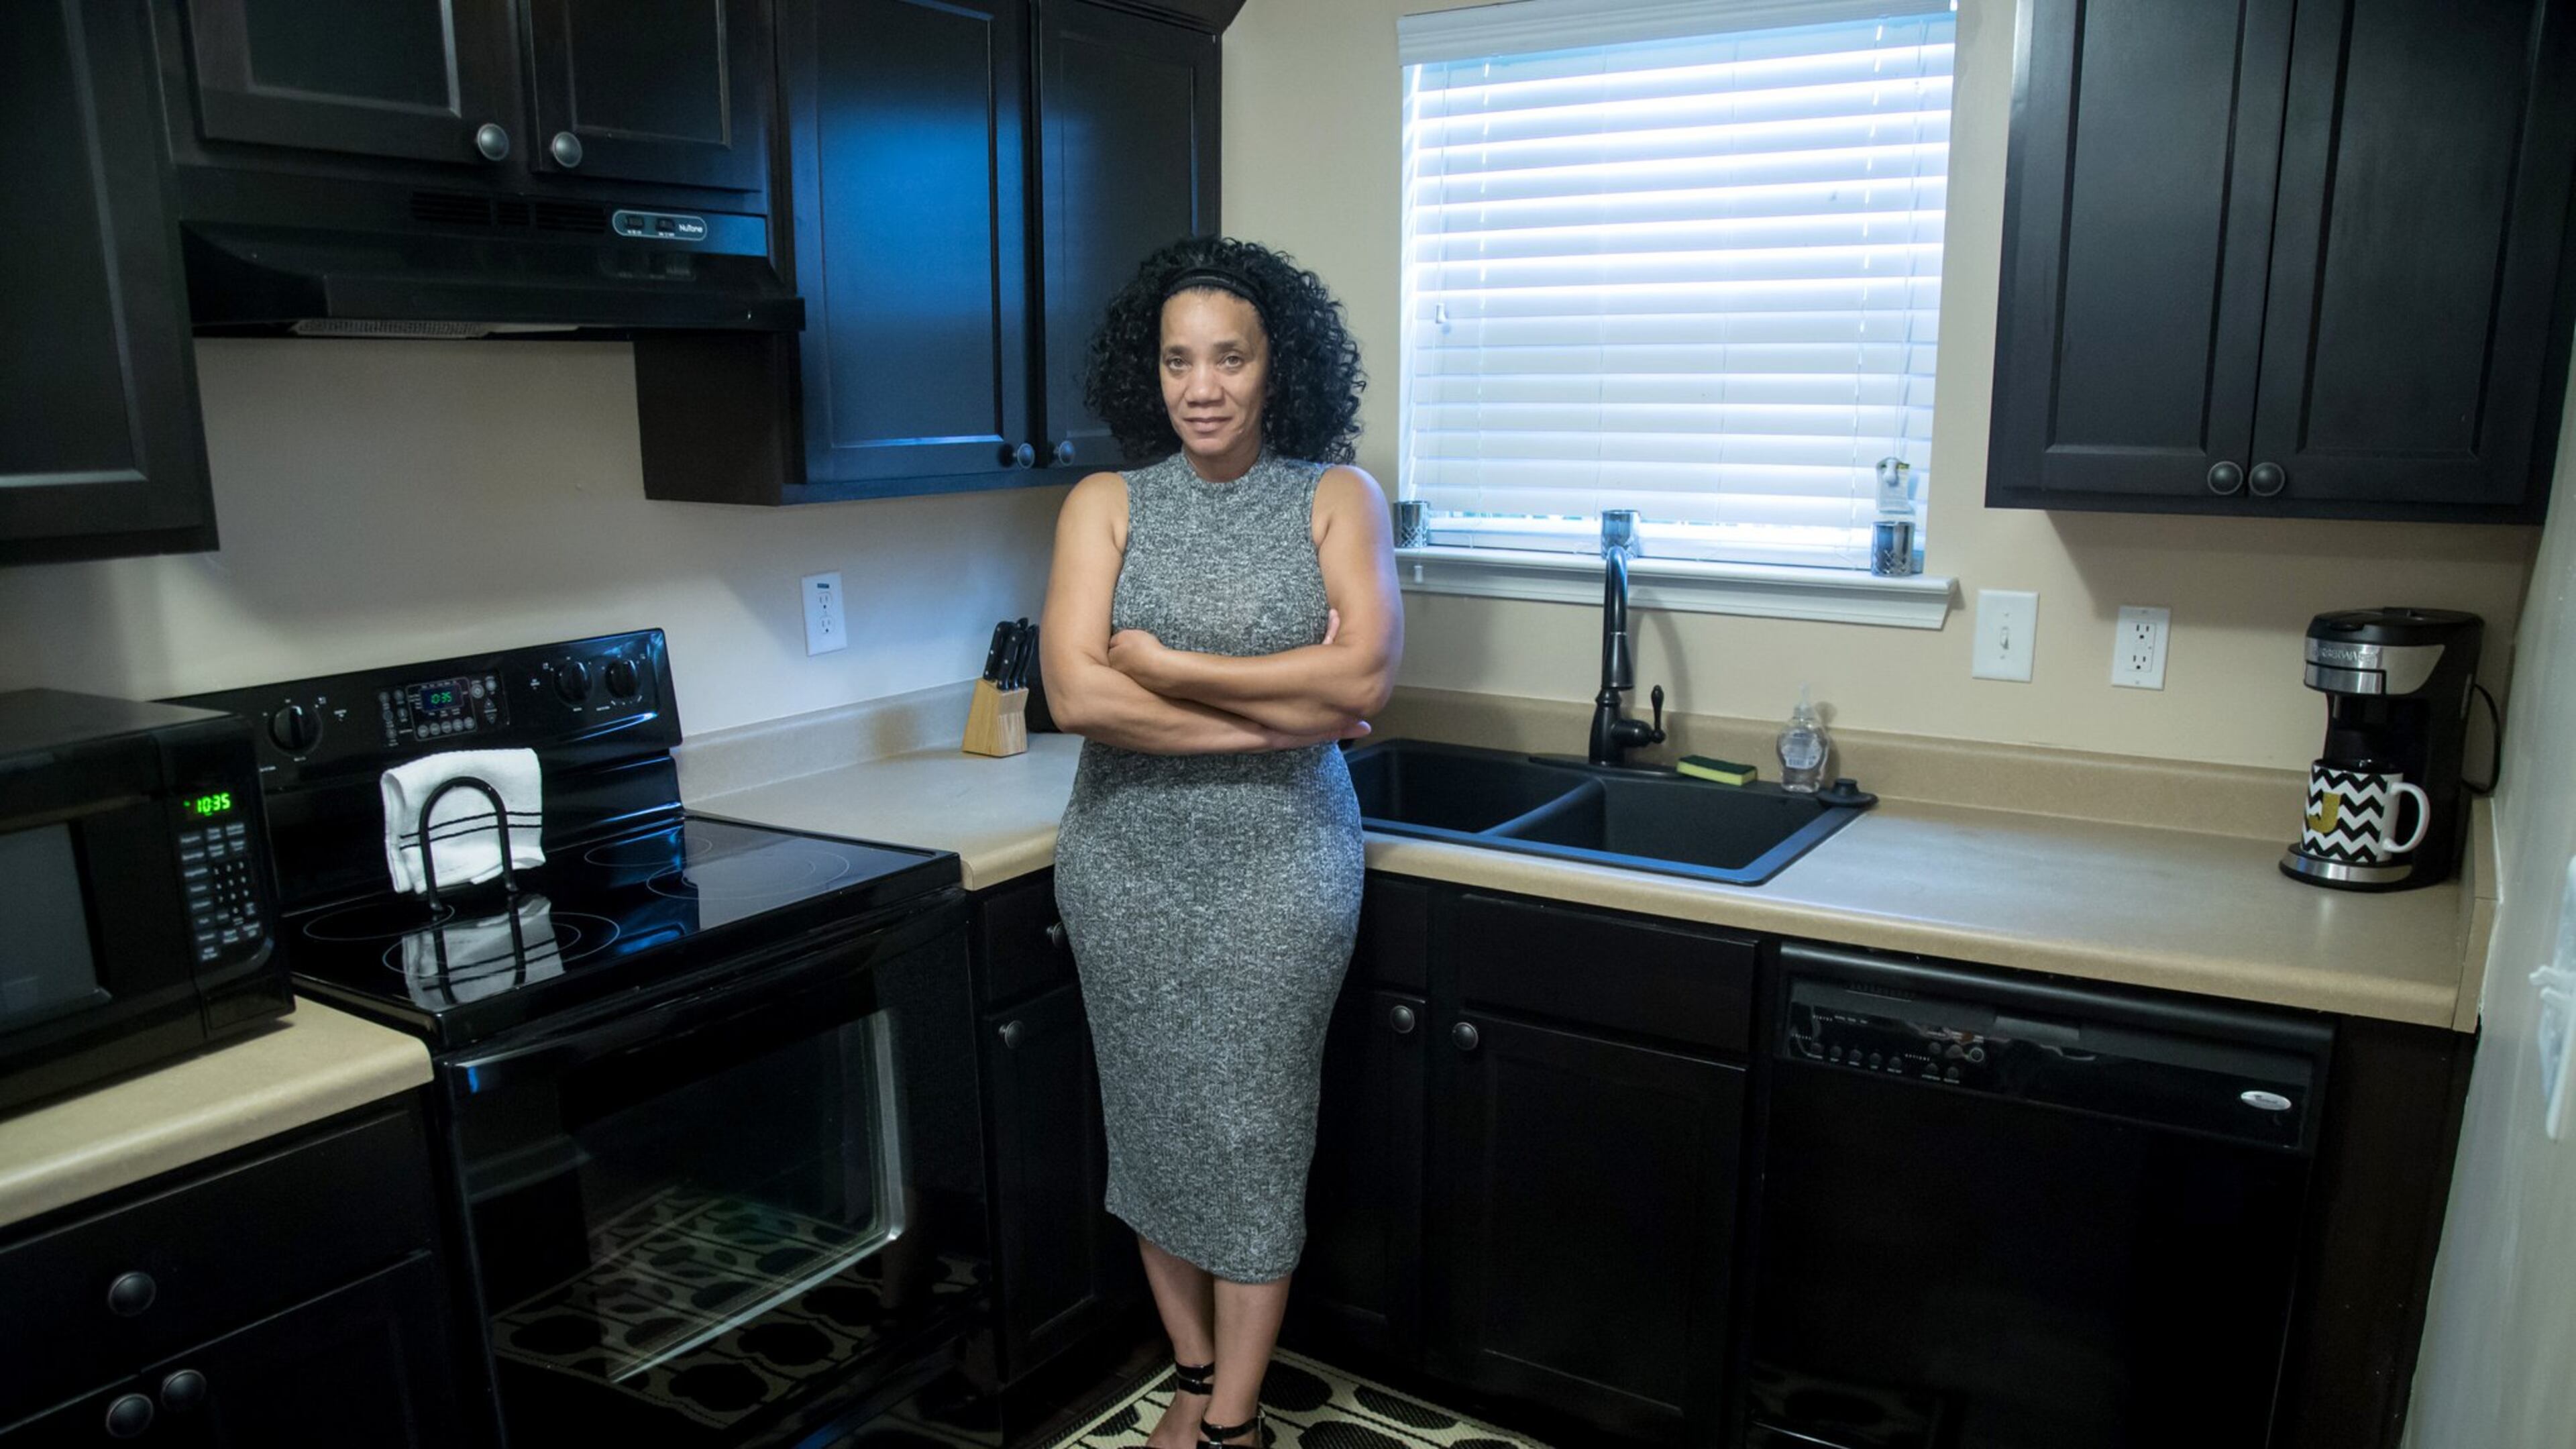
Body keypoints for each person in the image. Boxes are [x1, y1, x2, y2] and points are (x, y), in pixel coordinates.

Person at [1038, 235, 1401, 1449]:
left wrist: (1178, 670)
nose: (1202, 386)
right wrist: (1279, 719)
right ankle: (1190, 1374)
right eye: (1179, 360)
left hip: (1281, 871)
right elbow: (1079, 700)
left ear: (1272, 367)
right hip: (1122, 865)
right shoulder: (1105, 503)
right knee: (1149, 1124)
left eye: (1229, 358)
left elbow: (1367, 676)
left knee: (1251, 1136)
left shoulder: (1337, 497)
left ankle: (1233, 1423)